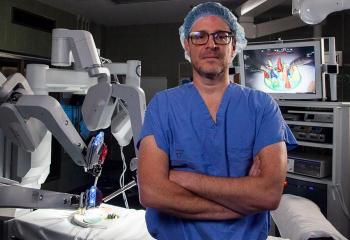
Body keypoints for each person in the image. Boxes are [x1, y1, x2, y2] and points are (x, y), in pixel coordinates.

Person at [137, 2, 297, 240]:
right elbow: (151, 192)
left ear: (234, 46)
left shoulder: (262, 107)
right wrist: (238, 203)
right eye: (199, 36)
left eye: (221, 36)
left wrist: (183, 178)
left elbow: (268, 195)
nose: (210, 44)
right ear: (186, 45)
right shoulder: (162, 106)